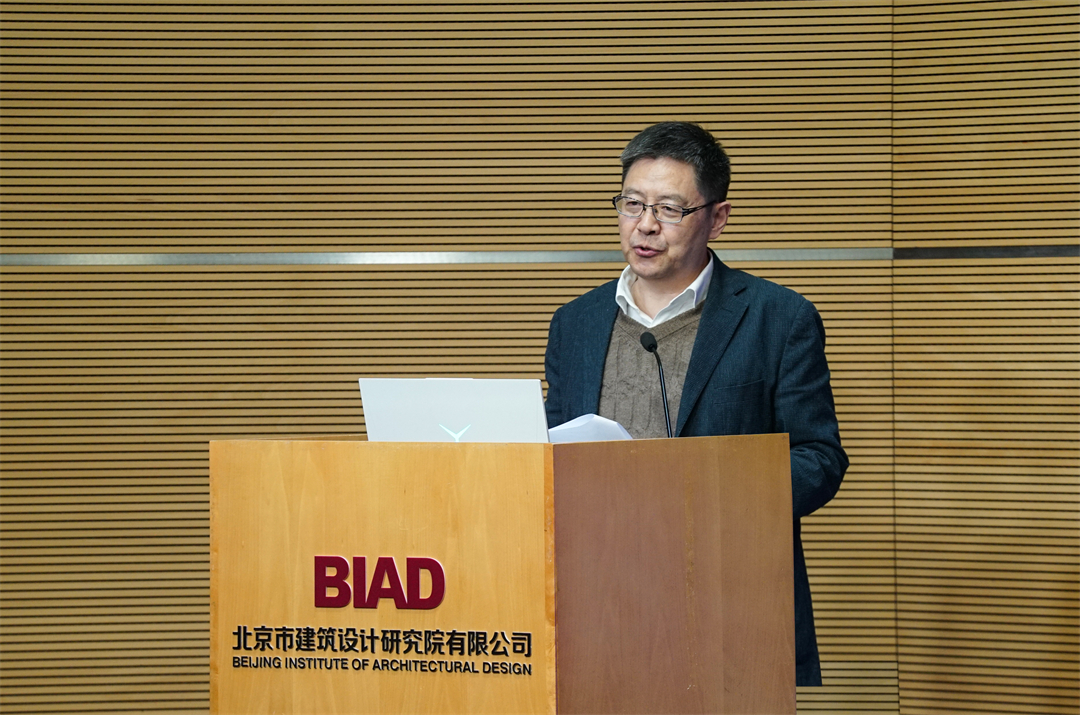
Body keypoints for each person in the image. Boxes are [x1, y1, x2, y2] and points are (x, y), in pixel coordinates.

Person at [543, 121, 848, 686]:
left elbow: (819, 460)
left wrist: (704, 489)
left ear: (717, 216)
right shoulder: (575, 324)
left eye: (669, 209)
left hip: (728, 600)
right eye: (632, 204)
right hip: (594, 599)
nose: (645, 225)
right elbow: (551, 450)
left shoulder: (778, 319)